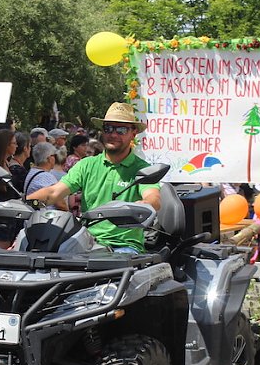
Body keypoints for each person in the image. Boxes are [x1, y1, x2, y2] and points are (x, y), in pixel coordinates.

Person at [27, 102, 161, 253]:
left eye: (121, 129)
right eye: (108, 128)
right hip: (86, 243)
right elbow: (54, 192)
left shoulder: (142, 168)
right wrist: (24, 204)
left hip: (123, 246)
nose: (113, 134)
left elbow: (153, 198)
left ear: (133, 133)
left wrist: (143, 205)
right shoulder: (87, 165)